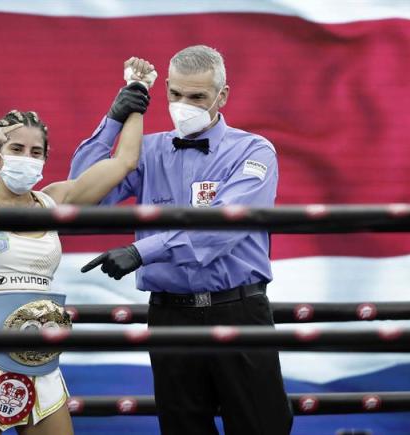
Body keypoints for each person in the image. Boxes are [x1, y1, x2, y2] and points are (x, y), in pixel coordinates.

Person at [0, 63, 152, 435]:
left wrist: (135, 99)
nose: (27, 156)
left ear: (44, 159)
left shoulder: (55, 200)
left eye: (36, 151)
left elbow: (124, 162)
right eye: (17, 148)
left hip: (40, 363)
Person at [71, 46, 293, 435]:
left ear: (222, 96)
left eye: (197, 97)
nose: (183, 105)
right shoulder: (147, 151)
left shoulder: (253, 150)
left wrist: (142, 251)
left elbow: (223, 225)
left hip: (238, 310)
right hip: (170, 315)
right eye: (175, 94)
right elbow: (80, 194)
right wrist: (112, 120)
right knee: (182, 430)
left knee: (263, 428)